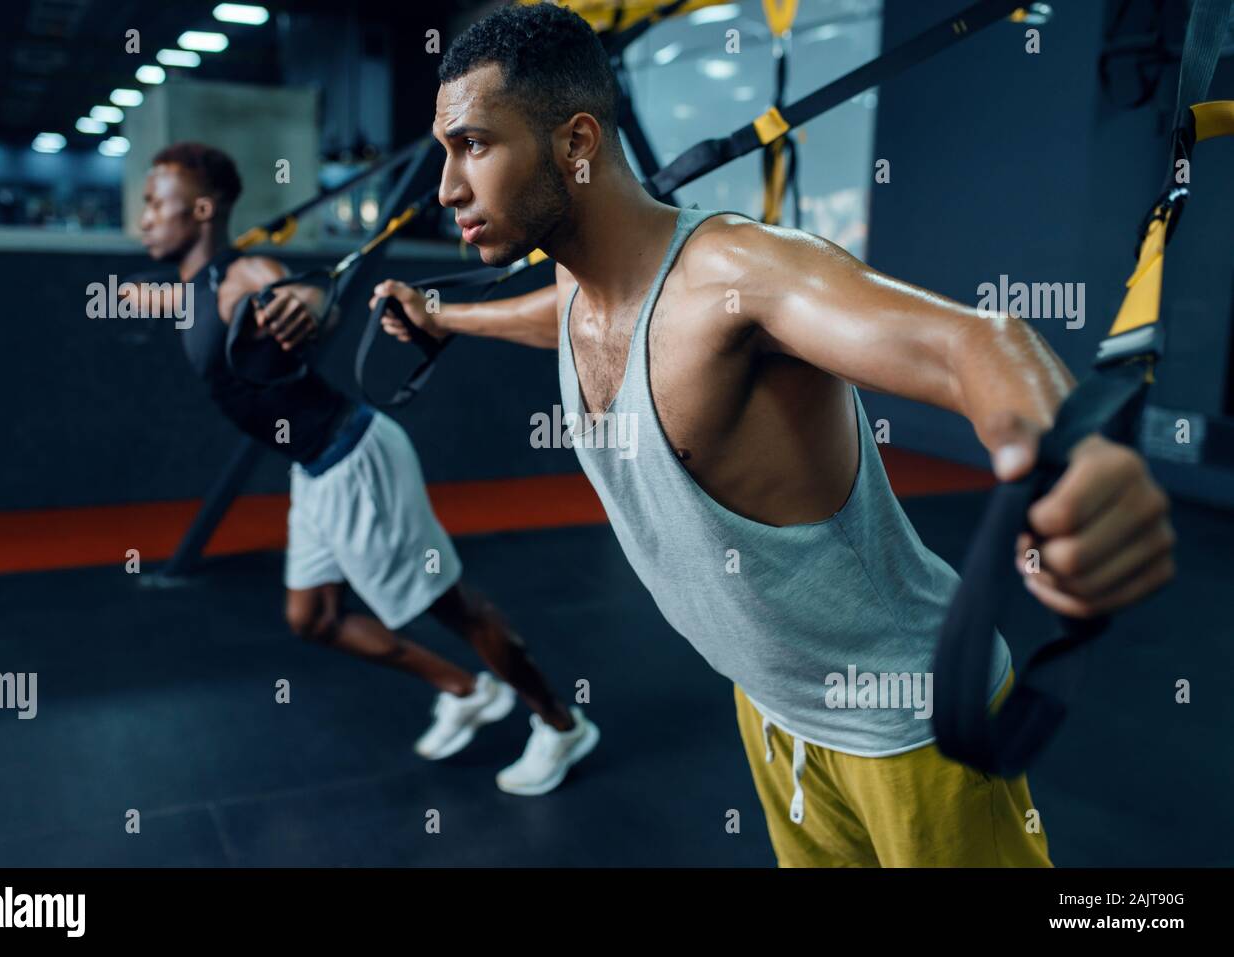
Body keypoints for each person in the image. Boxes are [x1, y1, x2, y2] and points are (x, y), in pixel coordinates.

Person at [370, 3, 1176, 865]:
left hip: (907, 726)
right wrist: (447, 317)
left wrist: (1067, 467)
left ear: (574, 144)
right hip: (771, 707)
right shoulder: (581, 290)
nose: (449, 187)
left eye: (474, 145)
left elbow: (974, 343)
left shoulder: (739, 277)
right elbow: (551, 314)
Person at [134, 141, 599, 796]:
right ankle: (466, 689)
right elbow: (163, 300)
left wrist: (306, 304)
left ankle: (560, 721)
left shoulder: (245, 274)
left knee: (452, 605)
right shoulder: (190, 288)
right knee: (312, 619)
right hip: (314, 471)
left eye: (158, 201)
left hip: (356, 458)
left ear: (203, 209)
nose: (145, 215)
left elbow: (302, 300)